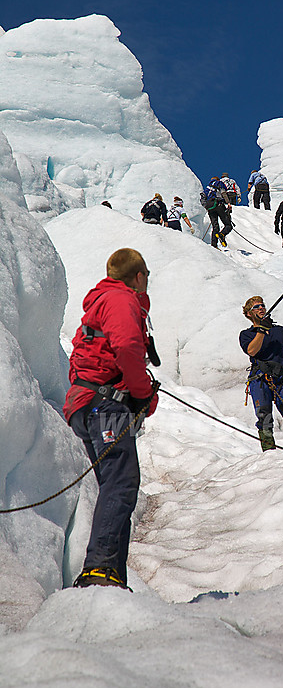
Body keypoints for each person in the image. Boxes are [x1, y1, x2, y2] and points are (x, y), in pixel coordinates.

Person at [63, 249, 159, 590]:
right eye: (146, 274)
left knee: (116, 486)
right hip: (106, 406)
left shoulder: (101, 300)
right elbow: (129, 346)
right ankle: (100, 571)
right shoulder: (121, 300)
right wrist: (144, 393)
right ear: (138, 276)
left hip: (87, 404)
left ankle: (111, 575)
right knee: (121, 484)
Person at [239, 296, 283, 453]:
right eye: (256, 307)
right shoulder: (246, 335)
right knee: (265, 418)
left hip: (280, 380)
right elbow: (252, 350)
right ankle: (270, 456)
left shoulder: (280, 331)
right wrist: (262, 330)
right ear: (249, 314)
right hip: (259, 381)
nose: (261, 308)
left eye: (262, 305)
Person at [200, 177, 233, 248]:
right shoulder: (219, 183)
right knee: (228, 225)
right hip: (218, 204)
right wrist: (228, 203)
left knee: (215, 227)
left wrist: (206, 206)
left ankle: (214, 245)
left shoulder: (207, 189)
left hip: (210, 207)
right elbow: (223, 193)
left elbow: (202, 198)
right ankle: (222, 234)